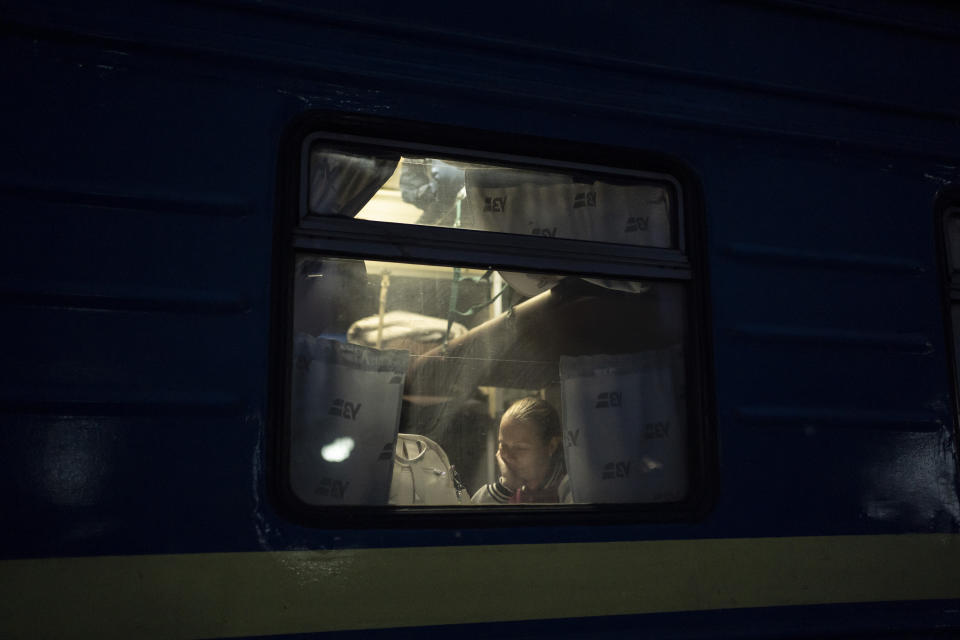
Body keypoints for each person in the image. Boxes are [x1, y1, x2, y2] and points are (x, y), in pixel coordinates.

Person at [471, 397, 571, 504]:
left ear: (551, 446)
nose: (508, 456)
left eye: (520, 448)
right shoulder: (507, 489)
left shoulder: (571, 490)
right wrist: (504, 487)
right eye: (503, 445)